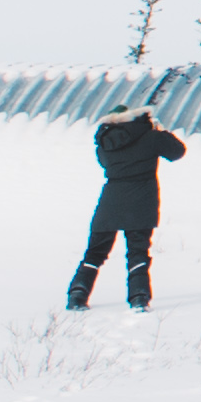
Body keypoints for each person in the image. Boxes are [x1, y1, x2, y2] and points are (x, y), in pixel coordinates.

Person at [67, 97, 186, 308]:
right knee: (137, 252)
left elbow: (106, 163)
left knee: (95, 252)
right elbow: (177, 152)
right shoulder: (150, 137)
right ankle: (139, 298)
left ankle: (78, 294)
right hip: (141, 201)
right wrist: (159, 130)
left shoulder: (104, 143)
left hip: (110, 200)